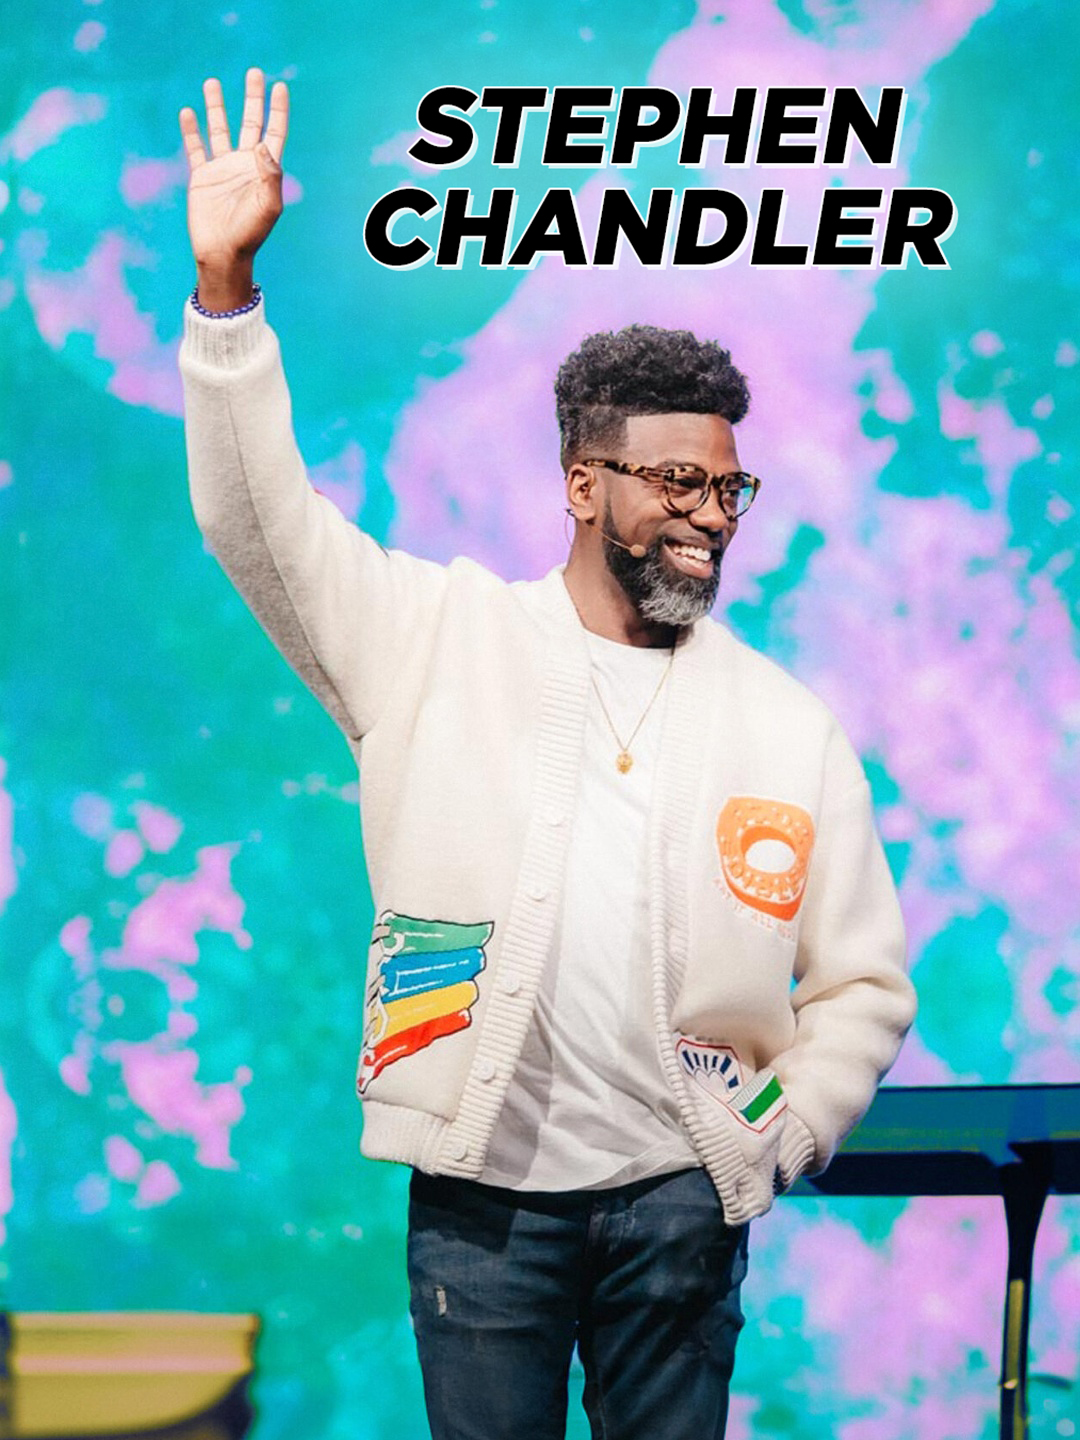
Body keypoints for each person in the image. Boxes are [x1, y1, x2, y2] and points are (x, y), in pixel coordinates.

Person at [178, 69, 916, 1440]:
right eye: (677, 481)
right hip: (484, 1217)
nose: (712, 514)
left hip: (681, 1207)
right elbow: (253, 522)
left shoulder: (786, 724)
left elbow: (864, 983)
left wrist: (773, 1138)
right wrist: (227, 297)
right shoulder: (433, 637)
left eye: (729, 487)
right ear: (584, 484)